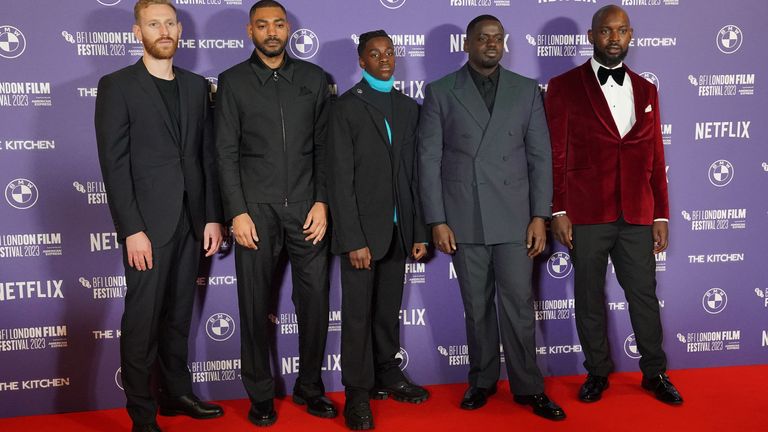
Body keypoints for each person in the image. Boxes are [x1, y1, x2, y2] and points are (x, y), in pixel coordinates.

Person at [418, 15, 565, 421]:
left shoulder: (525, 91)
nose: (491, 44)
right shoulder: (441, 91)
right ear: (468, 44)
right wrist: (437, 219)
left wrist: (540, 216)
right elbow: (428, 160)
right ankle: (481, 381)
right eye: (483, 38)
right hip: (464, 218)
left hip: (517, 220)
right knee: (476, 306)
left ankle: (528, 387)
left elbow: (540, 157)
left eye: (497, 38)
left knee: (518, 305)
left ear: (504, 44)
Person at [94, 1, 225, 431]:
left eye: (170, 23)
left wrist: (210, 216)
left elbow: (205, 157)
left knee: (179, 314)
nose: (163, 30)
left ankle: (176, 394)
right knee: (142, 320)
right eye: (154, 24)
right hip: (147, 226)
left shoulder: (194, 86)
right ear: (138, 32)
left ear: (180, 30)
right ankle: (143, 413)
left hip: (191, 222)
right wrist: (131, 229)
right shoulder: (117, 86)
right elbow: (114, 165)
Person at [544, 5, 683, 405]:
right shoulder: (564, 85)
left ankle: (654, 372)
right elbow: (557, 152)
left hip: (637, 212)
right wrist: (558, 209)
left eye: (621, 31)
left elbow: (655, 155)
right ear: (591, 36)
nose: (614, 38)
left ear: (631, 35)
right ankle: (597, 372)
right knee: (588, 295)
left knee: (643, 293)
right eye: (606, 31)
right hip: (587, 211)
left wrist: (660, 213)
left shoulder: (646, 89)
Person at [214, 0, 335, 426]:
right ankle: (260, 394)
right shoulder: (232, 82)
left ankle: (310, 388)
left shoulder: (314, 78)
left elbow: (326, 147)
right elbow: (225, 153)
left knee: (315, 303)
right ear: (250, 32)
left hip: (307, 209)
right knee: (252, 306)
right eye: (262, 25)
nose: (271, 31)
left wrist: (322, 200)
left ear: (288, 30)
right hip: (255, 213)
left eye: (278, 24)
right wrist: (237, 213)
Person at [327, 30, 429, 430]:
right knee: (356, 317)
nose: (384, 58)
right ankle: (356, 393)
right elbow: (339, 179)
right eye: (375, 53)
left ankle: (388, 372)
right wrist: (352, 238)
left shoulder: (408, 107)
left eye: (389, 52)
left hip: (399, 232)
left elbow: (415, 177)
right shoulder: (346, 108)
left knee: (387, 312)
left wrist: (418, 231)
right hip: (362, 238)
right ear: (361, 60)